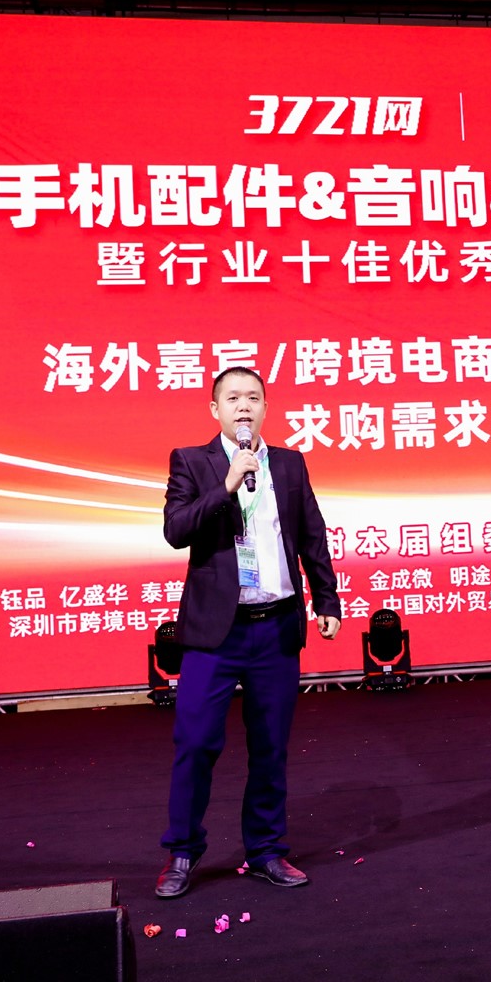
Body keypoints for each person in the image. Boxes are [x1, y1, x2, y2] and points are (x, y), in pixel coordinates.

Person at [155, 366, 341, 899]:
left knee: (270, 746)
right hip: (216, 633)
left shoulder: (289, 463)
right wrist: (227, 485)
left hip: (276, 626)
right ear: (215, 409)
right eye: (233, 398)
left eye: (254, 398)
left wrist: (325, 598)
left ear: (265, 408)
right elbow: (176, 530)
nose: (244, 406)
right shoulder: (192, 461)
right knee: (195, 742)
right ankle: (183, 851)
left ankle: (265, 850)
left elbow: (311, 534)